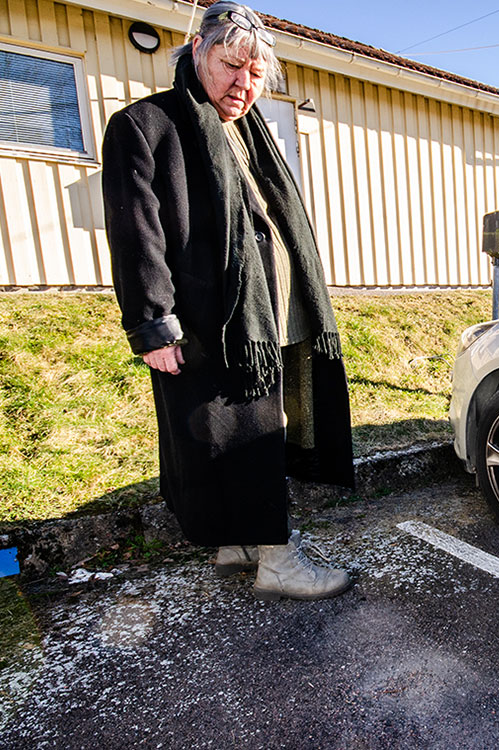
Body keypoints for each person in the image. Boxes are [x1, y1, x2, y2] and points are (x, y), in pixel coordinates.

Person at [102, 2, 355, 601]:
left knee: (266, 428)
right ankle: (277, 561)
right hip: (212, 320)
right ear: (198, 53)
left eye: (255, 72)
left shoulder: (249, 133)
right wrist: (152, 324)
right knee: (244, 434)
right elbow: (136, 231)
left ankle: (241, 541)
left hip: (273, 316)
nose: (244, 83)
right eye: (231, 64)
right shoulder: (148, 124)